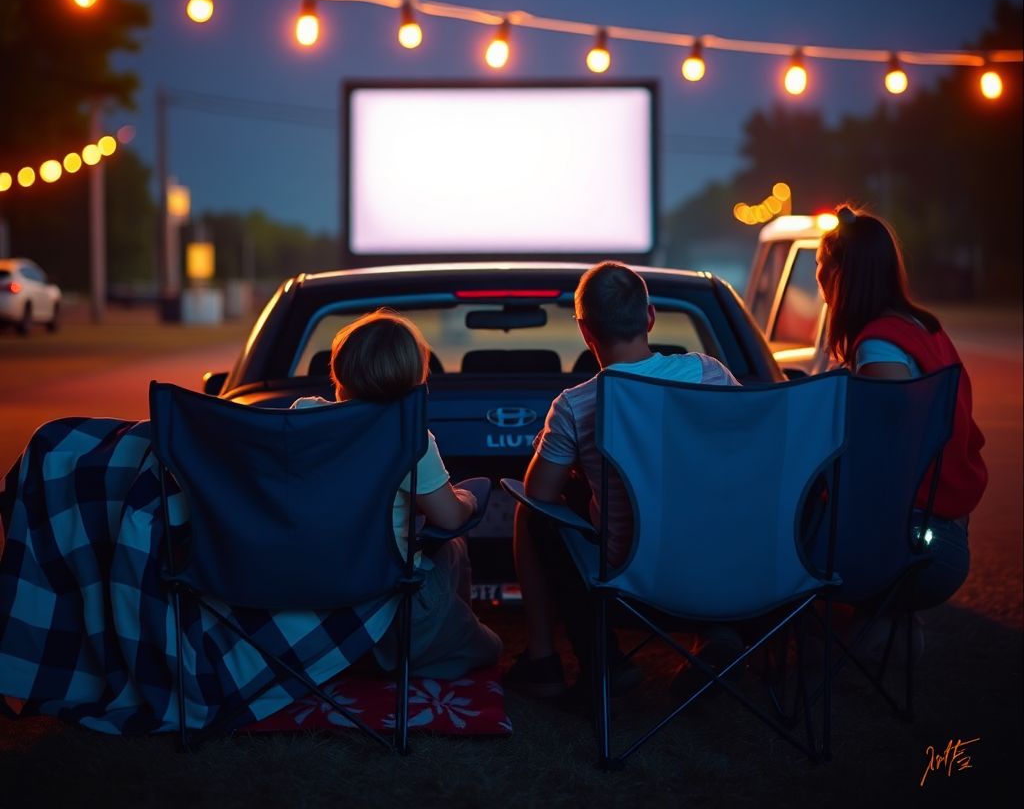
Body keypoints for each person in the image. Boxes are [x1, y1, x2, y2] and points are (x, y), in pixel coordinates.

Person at [504, 261, 741, 704]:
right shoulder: (710, 373)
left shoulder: (577, 406)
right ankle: (717, 634)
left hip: (634, 581)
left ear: (584, 331)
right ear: (649, 317)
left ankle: (565, 660)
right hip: (727, 568)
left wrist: (576, 464)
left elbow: (539, 496)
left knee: (530, 511)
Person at [292, 309, 502, 679]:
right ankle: (421, 647)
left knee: (447, 548)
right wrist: (467, 500)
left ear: (339, 369)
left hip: (305, 594)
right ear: (415, 380)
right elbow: (449, 519)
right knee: (491, 643)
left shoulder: (304, 416)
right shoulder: (410, 439)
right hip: (386, 609)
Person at [815, 205, 988, 611]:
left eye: (822, 264)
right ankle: (889, 629)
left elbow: (880, 461)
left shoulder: (879, 349)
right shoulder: (924, 328)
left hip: (910, 543)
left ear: (841, 274)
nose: (817, 276)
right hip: (941, 531)